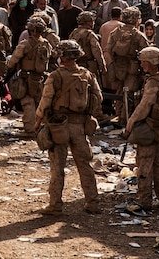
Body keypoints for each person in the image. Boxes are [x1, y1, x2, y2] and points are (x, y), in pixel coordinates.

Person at [36, 40, 103, 215]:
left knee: (57, 166)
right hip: (80, 126)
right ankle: (93, 202)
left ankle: (55, 205)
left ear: (62, 57)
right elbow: (98, 98)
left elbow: (45, 102)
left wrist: (38, 122)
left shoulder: (55, 76)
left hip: (59, 126)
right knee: (85, 164)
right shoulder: (87, 75)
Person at [124, 46, 159, 212]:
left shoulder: (153, 82)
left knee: (145, 166)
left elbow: (144, 107)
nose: (142, 65)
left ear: (150, 63)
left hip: (150, 130)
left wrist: (130, 124)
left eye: (144, 62)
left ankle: (144, 201)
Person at [6, 16, 52, 134]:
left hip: (26, 77)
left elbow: (13, 61)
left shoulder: (25, 44)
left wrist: (9, 67)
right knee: (40, 102)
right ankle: (42, 126)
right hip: (40, 77)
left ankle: (30, 127)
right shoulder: (46, 44)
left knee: (28, 102)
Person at [106, 7, 149, 120]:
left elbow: (108, 50)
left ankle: (119, 115)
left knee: (120, 93)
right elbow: (146, 52)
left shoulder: (115, 33)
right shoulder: (138, 35)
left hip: (118, 68)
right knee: (130, 94)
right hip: (133, 69)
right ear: (136, 19)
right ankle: (126, 120)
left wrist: (111, 68)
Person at [70, 11, 106, 78]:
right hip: (89, 65)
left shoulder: (74, 33)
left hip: (76, 65)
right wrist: (102, 66)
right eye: (92, 21)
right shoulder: (90, 34)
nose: (93, 23)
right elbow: (97, 51)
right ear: (88, 22)